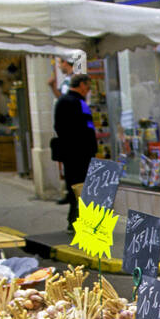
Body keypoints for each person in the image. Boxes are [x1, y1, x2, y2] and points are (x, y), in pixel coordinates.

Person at [53, 73, 97, 232]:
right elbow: (88, 129)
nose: (88, 90)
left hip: (67, 151)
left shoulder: (61, 102)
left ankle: (73, 220)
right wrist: (93, 150)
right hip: (82, 152)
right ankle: (81, 220)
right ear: (82, 85)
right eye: (88, 86)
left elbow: (57, 127)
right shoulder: (80, 103)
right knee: (84, 186)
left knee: (73, 185)